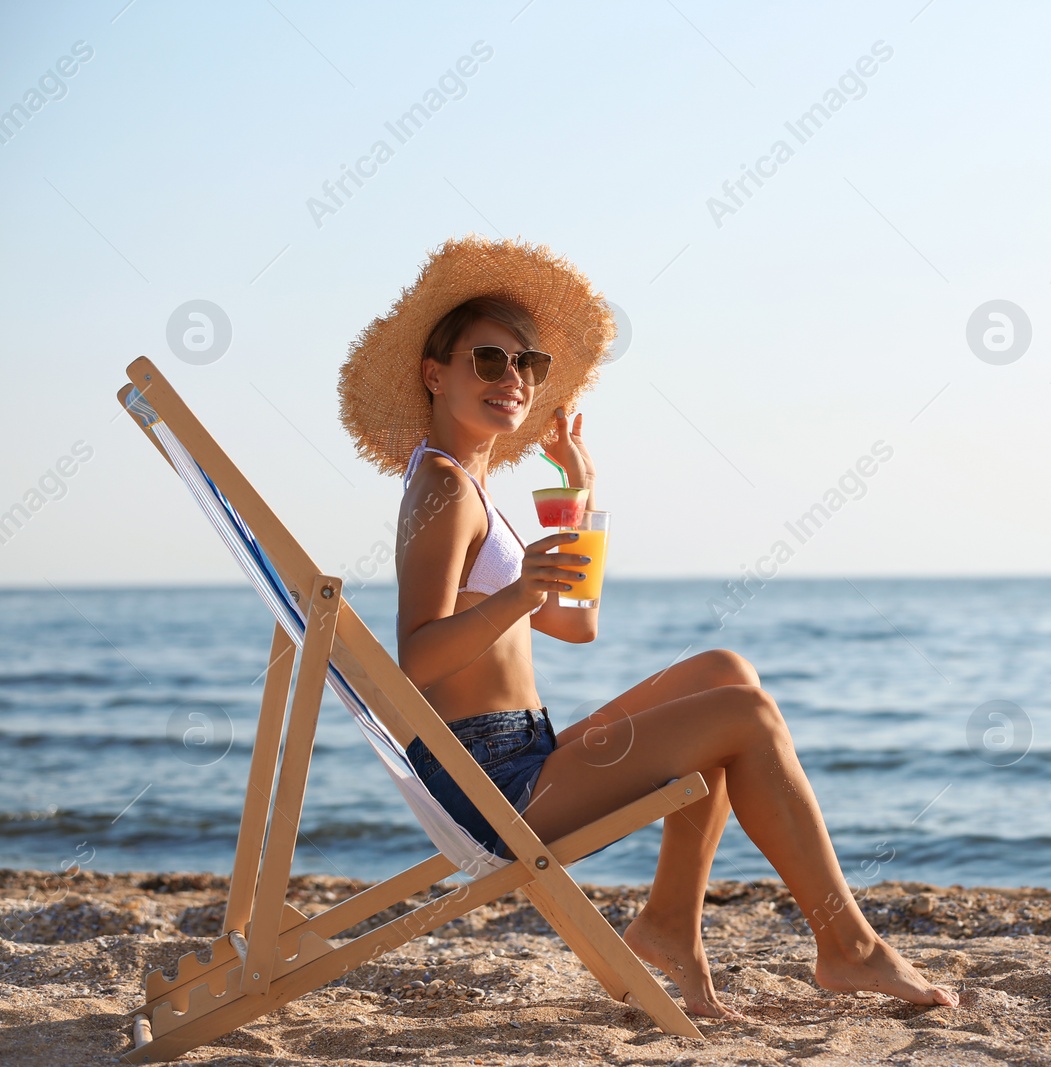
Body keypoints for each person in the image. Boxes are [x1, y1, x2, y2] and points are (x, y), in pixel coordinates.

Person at [337, 235, 956, 1020]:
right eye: (488, 360)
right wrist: (517, 593)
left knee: (723, 671)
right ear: (436, 373)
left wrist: (580, 489)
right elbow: (416, 659)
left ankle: (669, 922)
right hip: (494, 787)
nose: (514, 380)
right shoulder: (441, 487)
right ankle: (849, 946)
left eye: (528, 365)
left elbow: (577, 621)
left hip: (523, 752)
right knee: (747, 716)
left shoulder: (473, 486)